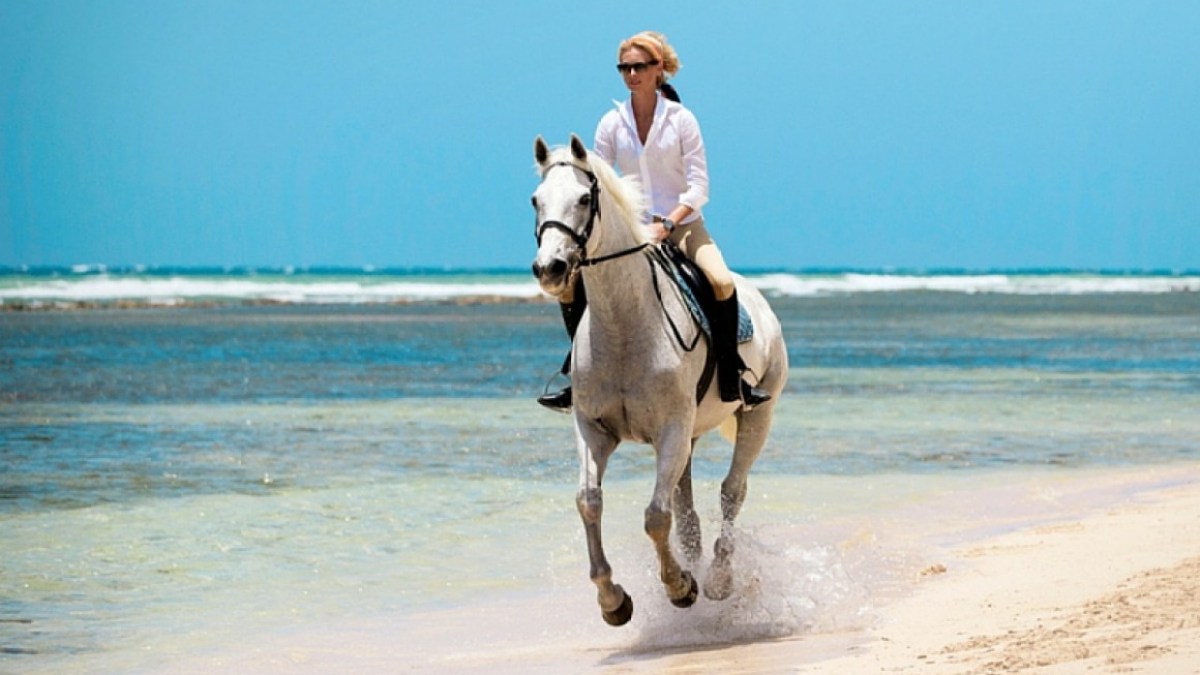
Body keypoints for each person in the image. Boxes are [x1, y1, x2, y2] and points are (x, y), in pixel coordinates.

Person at [538, 30, 770, 412]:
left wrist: (667, 223)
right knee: (571, 287)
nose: (631, 74)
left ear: (658, 68)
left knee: (721, 281)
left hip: (683, 226)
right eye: (624, 67)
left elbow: (699, 186)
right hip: (631, 233)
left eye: (639, 66)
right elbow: (599, 179)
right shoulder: (611, 123)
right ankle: (575, 376)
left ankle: (733, 375)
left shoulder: (681, 120)